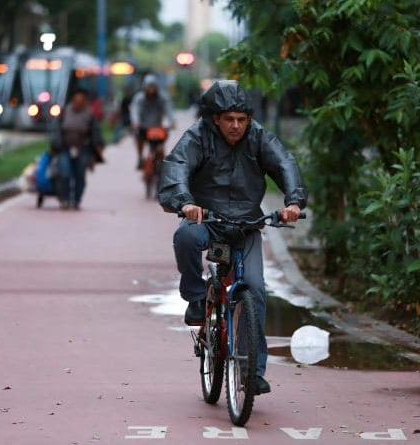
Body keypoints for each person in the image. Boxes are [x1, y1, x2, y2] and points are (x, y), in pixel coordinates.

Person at [158, 80, 308, 395]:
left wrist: (293, 202)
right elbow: (177, 167)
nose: (236, 126)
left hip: (248, 226)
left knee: (254, 288)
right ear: (216, 118)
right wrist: (185, 202)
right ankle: (197, 298)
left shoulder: (259, 137)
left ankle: (251, 372)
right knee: (185, 237)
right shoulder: (197, 137)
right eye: (229, 119)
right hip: (207, 219)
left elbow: (285, 163)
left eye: (242, 119)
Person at [53, 88, 105, 210]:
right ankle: (65, 199)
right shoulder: (65, 112)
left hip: (82, 149)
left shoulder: (89, 115)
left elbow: (95, 133)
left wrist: (98, 147)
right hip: (65, 148)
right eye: (76, 100)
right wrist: (56, 143)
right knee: (64, 173)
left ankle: (76, 200)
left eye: (81, 100)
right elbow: (56, 129)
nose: (78, 103)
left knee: (79, 175)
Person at [130, 74, 176, 169]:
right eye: (149, 87)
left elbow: (169, 110)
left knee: (160, 149)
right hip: (143, 127)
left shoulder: (162, 98)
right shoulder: (139, 98)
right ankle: (140, 158)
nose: (151, 89)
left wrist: (172, 121)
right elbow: (135, 110)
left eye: (153, 86)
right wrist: (135, 122)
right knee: (138, 137)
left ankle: (162, 167)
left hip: (157, 128)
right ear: (144, 87)